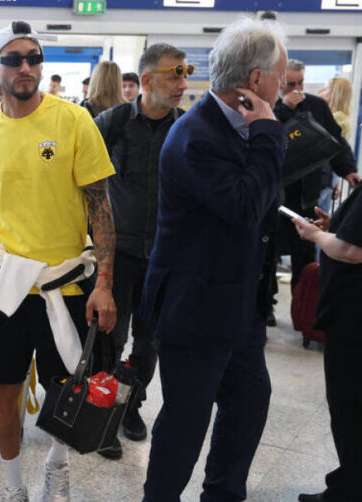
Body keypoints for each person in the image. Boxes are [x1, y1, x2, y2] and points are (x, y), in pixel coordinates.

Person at [0, 21, 116, 502]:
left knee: (65, 387)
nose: (25, 67)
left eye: (33, 58)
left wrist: (104, 282)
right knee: (3, 386)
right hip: (8, 279)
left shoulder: (73, 120)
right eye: (14, 59)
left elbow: (100, 204)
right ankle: (13, 486)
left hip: (66, 280)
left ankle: (57, 465)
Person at [141, 18, 288, 501]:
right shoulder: (197, 135)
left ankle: (223, 494)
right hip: (195, 307)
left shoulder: (239, 127)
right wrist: (269, 133)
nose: (284, 88)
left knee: (249, 404)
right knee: (185, 422)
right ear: (256, 80)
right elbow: (244, 206)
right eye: (280, 77)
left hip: (238, 303)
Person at [93, 42, 188, 460]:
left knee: (149, 344)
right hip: (118, 253)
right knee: (110, 339)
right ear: (147, 81)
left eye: (186, 73)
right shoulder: (111, 123)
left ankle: (131, 407)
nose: (182, 83)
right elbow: (82, 179)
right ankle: (104, 416)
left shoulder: (187, 128)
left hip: (164, 257)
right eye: (174, 74)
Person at [292, 189, 362, 502]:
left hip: (352, 317)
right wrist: (339, 225)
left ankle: (348, 491)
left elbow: (350, 250)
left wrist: (315, 236)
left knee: (349, 407)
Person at [273, 60, 359, 301]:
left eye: (300, 83)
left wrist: (348, 170)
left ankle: (304, 306)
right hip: (275, 198)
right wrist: (283, 109)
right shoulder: (270, 106)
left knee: (304, 258)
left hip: (307, 197)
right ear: (279, 82)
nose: (296, 89)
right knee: (268, 255)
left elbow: (336, 140)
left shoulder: (317, 106)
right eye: (290, 84)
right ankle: (266, 309)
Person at [317, 76, 353, 216]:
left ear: (335, 93)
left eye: (327, 89)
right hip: (329, 177)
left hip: (322, 177)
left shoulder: (336, 118)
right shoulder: (343, 118)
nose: (324, 92)